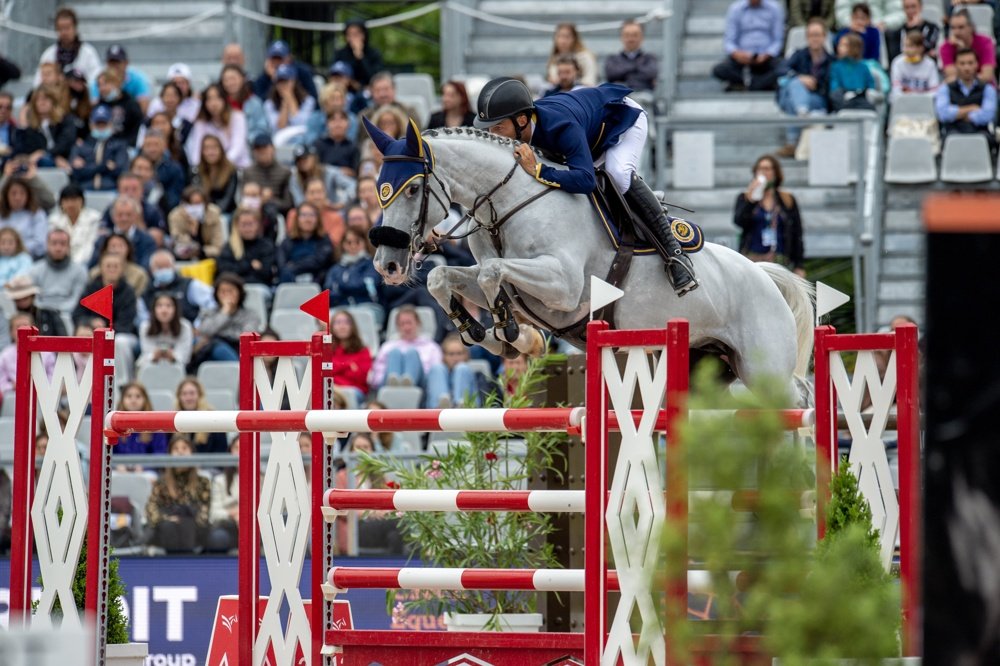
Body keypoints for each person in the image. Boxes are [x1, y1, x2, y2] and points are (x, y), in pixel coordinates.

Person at [471, 77, 698, 294]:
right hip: (589, 133)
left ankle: (675, 254)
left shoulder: (561, 127)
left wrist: (539, 170)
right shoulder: (525, 131)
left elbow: (586, 181)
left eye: (498, 127)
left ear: (521, 121)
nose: (492, 134)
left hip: (620, 121)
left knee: (618, 174)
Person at [733, 154, 806, 276]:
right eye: (760, 169)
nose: (763, 172)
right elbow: (739, 222)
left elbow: (797, 232)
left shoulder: (787, 199)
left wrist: (799, 265)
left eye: (767, 169)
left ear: (775, 173)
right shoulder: (745, 197)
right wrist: (751, 200)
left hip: (780, 260)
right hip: (753, 260)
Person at [777, 18, 834, 157]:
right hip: (796, 96)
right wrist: (801, 78)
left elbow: (828, 87)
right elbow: (781, 69)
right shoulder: (799, 54)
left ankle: (792, 142)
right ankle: (802, 112)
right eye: (811, 35)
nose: (814, 39)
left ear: (824, 37)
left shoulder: (831, 60)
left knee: (791, 98)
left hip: (818, 99)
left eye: (817, 35)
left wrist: (815, 84)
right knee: (795, 83)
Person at [145, 434, 211, 552]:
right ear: (170, 454)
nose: (180, 452)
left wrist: (187, 519)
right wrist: (167, 518)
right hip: (166, 528)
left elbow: (206, 510)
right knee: (168, 527)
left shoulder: (203, 482)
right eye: (176, 449)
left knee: (187, 526)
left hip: (194, 530)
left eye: (184, 448)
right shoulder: (161, 483)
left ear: (192, 453)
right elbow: (151, 508)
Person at [713, 0, 786, 91]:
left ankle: (747, 84)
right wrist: (738, 54)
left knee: (785, 68)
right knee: (720, 70)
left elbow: (778, 40)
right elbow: (729, 41)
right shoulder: (735, 9)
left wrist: (767, 54)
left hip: (766, 58)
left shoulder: (774, 8)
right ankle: (759, 84)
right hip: (741, 58)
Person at [191, 272, 262, 366]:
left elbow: (246, 337)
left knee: (218, 346)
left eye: (231, 291)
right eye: (223, 292)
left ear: (239, 293)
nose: (227, 295)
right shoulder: (208, 312)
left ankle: (238, 370)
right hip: (208, 351)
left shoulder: (250, 315)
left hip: (237, 351)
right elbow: (204, 331)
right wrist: (225, 312)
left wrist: (219, 334)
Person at [935, 47, 997, 147]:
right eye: (962, 63)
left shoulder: (988, 89)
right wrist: (972, 108)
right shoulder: (945, 88)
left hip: (980, 132)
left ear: (977, 64)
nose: (966, 67)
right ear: (956, 65)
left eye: (970, 63)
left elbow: (987, 115)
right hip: (952, 132)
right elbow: (943, 114)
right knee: (950, 140)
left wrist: (957, 115)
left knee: (985, 140)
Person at [370, 306, 442, 389]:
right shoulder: (388, 346)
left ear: (418, 323)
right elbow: (378, 372)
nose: (406, 328)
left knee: (412, 353)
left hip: (420, 385)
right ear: (397, 326)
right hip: (387, 384)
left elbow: (435, 374)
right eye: (402, 324)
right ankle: (394, 384)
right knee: (394, 353)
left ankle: (408, 381)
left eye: (409, 323)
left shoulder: (431, 347)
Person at [74, 250, 139, 338]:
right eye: (108, 266)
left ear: (122, 269)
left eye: (116, 266)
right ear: (101, 268)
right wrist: (91, 321)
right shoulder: (91, 288)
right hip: (92, 332)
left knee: (121, 340)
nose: (112, 270)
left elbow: (126, 324)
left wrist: (104, 330)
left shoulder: (128, 292)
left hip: (120, 335)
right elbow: (77, 315)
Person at [186, 83, 250, 169]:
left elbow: (238, 147)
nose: (213, 103)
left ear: (224, 100)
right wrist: (198, 167)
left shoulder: (237, 117)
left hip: (237, 166)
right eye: (209, 99)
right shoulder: (201, 122)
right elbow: (196, 151)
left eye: (217, 98)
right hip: (209, 169)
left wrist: (221, 166)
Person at [142, 249, 216, 323]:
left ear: (173, 266)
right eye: (159, 267)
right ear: (151, 270)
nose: (163, 270)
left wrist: (199, 324)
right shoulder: (147, 290)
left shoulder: (190, 285)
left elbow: (212, 301)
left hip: (188, 326)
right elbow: (143, 317)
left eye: (166, 266)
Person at [34, 8, 102, 85]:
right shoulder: (48, 54)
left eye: (67, 28)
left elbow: (96, 80)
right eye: (60, 29)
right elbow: (37, 84)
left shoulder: (88, 53)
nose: (64, 32)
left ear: (75, 28)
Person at [13, 85, 76, 169]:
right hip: (39, 164)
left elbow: (65, 143)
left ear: (53, 102)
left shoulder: (65, 120)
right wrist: (23, 125)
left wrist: (46, 153)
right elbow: (24, 148)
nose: (42, 103)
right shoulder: (31, 127)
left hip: (65, 158)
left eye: (45, 99)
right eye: (38, 100)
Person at [70, 106, 129, 192]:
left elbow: (120, 171)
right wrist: (104, 166)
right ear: (91, 125)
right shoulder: (81, 146)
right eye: (98, 124)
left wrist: (88, 166)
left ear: (111, 124)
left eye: (104, 124)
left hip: (111, 189)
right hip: (84, 189)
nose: (101, 128)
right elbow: (76, 173)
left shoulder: (119, 146)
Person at [29, 228, 87, 315]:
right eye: (54, 243)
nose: (58, 248)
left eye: (63, 244)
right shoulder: (35, 270)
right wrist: (46, 311)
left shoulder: (80, 271)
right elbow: (33, 299)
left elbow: (77, 299)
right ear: (47, 245)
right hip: (41, 314)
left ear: (69, 247)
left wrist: (58, 313)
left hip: (68, 315)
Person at [325, 227, 382, 315]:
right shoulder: (335, 269)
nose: (353, 246)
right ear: (343, 245)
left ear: (365, 243)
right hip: (341, 308)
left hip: (368, 307)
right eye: (349, 242)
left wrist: (341, 287)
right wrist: (352, 288)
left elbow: (367, 286)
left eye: (357, 242)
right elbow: (329, 294)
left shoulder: (372, 265)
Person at [216, 207, 277, 285]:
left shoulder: (266, 245)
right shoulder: (229, 246)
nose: (247, 229)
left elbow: (266, 273)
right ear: (237, 225)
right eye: (244, 225)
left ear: (258, 224)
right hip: (235, 287)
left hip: (259, 286)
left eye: (250, 224)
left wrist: (239, 268)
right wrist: (250, 265)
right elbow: (224, 271)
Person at [277, 202, 334, 283]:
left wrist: (293, 266)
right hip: (290, 282)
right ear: (297, 219)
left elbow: (318, 262)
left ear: (318, 219)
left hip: (317, 282)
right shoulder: (287, 242)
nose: (308, 219)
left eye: (312, 215)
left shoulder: (324, 240)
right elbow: (281, 265)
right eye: (303, 215)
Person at [0, 313, 56, 396]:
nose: (23, 332)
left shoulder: (47, 354)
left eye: (26, 326)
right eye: (18, 327)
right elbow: (1, 384)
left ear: (34, 331)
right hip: (14, 396)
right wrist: (12, 386)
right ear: (11, 332)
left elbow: (54, 381)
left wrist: (37, 385)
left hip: (43, 395)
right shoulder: (5, 355)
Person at [47, 184, 101, 266]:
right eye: (66, 200)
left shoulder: (94, 219)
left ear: (82, 201)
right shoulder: (54, 221)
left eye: (74, 200)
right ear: (61, 203)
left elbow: (90, 247)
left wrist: (74, 266)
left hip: (86, 263)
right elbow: (53, 245)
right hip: (60, 263)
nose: (70, 204)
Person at [138, 292, 193, 372]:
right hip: (152, 365)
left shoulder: (185, 327)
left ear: (175, 309)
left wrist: (172, 356)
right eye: (159, 306)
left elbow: (184, 357)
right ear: (153, 310)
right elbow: (147, 354)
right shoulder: (145, 327)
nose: (164, 310)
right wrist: (155, 355)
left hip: (177, 365)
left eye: (168, 306)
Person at [289, 144, 356, 210]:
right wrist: (317, 204)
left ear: (313, 158)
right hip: (308, 213)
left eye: (305, 158)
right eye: (299, 160)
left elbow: (353, 185)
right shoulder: (295, 178)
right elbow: (299, 202)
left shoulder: (328, 172)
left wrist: (342, 203)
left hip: (331, 210)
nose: (302, 162)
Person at [98, 195, 156, 269]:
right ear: (113, 217)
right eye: (120, 215)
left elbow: (145, 267)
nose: (124, 219)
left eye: (128, 215)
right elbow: (94, 264)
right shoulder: (103, 240)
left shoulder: (147, 240)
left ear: (135, 216)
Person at [168, 186, 225, 260]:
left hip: (208, 256)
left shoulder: (213, 214)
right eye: (190, 203)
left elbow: (218, 246)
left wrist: (201, 251)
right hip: (185, 258)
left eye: (198, 203)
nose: (194, 207)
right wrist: (193, 232)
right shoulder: (175, 216)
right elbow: (178, 241)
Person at [112, 382, 169, 455]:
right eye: (129, 396)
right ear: (122, 400)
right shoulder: (114, 426)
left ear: (145, 400)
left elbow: (160, 455)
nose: (133, 400)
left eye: (138, 396)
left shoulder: (156, 428)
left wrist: (144, 464)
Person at [940, 9, 996, 84]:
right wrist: (961, 49)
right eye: (953, 28)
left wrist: (964, 49)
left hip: (984, 87)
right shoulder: (946, 47)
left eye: (961, 27)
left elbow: (987, 76)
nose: (956, 32)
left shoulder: (985, 42)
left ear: (971, 27)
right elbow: (952, 77)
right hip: (958, 89)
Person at [290, 176, 347, 249]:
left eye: (319, 192)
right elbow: (292, 238)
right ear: (305, 195)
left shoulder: (335, 218)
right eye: (312, 192)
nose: (316, 197)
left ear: (325, 194)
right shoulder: (294, 215)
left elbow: (334, 243)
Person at [425, 334, 480, 409]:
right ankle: (441, 406)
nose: (455, 358)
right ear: (444, 356)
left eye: (459, 353)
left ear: (466, 355)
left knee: (462, 368)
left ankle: (460, 405)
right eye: (451, 354)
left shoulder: (472, 372)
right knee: (437, 368)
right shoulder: (439, 371)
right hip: (437, 412)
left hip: (468, 412)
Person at [92, 45, 153, 113]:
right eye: (111, 62)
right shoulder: (99, 80)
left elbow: (143, 108)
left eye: (117, 62)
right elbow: (94, 106)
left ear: (126, 63)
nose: (114, 66)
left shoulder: (139, 79)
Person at [176, 377, 229, 454]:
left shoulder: (215, 421)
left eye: (192, 393)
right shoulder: (173, 420)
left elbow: (221, 453)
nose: (188, 398)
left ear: (200, 395)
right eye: (184, 394)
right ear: (179, 397)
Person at [219, 64, 269, 145]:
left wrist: (243, 139)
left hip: (250, 145)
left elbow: (262, 129)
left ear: (242, 79)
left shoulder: (254, 103)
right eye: (226, 80)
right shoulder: (219, 103)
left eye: (233, 78)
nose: (230, 83)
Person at [329, 309, 372, 403]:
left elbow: (361, 378)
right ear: (332, 326)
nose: (342, 326)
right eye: (338, 322)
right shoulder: (327, 349)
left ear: (352, 326)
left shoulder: (363, 350)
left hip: (354, 390)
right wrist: (348, 365)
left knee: (347, 394)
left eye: (346, 322)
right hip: (332, 388)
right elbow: (324, 373)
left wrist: (336, 371)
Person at [140, 130, 186, 217]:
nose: (152, 149)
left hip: (164, 212)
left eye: (156, 145)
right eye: (148, 145)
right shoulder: (135, 165)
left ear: (164, 146)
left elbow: (174, 199)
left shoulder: (174, 169)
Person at [605, 20, 660, 92]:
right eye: (627, 35)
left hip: (643, 95)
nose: (631, 39)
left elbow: (651, 74)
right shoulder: (612, 59)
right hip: (619, 96)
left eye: (635, 35)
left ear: (642, 37)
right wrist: (637, 68)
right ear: (621, 37)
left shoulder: (650, 58)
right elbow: (611, 75)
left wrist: (623, 73)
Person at [253, 40, 318, 102]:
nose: (277, 62)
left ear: (289, 57)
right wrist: (275, 79)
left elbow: (314, 100)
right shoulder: (263, 77)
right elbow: (261, 103)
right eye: (274, 58)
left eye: (280, 58)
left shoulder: (302, 72)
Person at [94, 68, 144, 146]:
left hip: (126, 146)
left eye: (105, 84)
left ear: (117, 83)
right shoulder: (99, 105)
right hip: (103, 147)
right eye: (99, 85)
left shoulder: (131, 104)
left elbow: (137, 129)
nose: (102, 89)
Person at [244, 134, 294, 213]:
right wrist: (257, 198)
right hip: (252, 211)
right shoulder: (248, 172)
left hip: (277, 211)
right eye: (258, 149)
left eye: (265, 147)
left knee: (270, 210)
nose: (262, 151)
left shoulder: (285, 172)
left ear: (273, 149)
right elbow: (242, 200)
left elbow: (288, 203)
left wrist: (270, 200)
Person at [0, 176, 48, 258]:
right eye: (13, 193)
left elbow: (41, 244)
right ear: (6, 195)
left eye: (22, 193)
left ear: (28, 195)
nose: (18, 198)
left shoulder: (37, 214)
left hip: (30, 258)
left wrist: (16, 249)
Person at [264, 64, 317, 136]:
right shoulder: (269, 104)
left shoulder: (308, 101)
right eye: (279, 82)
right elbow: (279, 127)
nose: (282, 85)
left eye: (286, 81)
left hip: (301, 138)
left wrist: (290, 98)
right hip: (280, 139)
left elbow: (300, 124)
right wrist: (285, 102)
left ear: (294, 82)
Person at [829, 32, 877, 111]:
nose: (839, 47)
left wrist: (862, 93)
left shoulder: (863, 67)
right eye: (840, 44)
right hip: (843, 99)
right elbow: (834, 87)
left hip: (861, 98)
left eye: (844, 45)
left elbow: (870, 85)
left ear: (854, 47)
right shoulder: (836, 66)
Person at [207, 437, 240, 551]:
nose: (241, 452)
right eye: (237, 448)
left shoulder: (261, 478)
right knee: (218, 536)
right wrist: (233, 514)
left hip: (256, 524)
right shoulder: (220, 480)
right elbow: (214, 514)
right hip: (228, 525)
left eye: (245, 448)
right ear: (230, 452)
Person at [191, 135, 238, 214]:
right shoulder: (196, 171)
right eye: (207, 148)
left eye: (214, 148)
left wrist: (215, 214)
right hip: (202, 212)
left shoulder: (231, 170)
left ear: (221, 150)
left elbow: (228, 198)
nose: (211, 152)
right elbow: (196, 194)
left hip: (225, 212)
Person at [890, 30, 941, 102]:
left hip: (924, 103)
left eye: (910, 46)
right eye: (905, 46)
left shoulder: (930, 64)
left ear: (921, 48)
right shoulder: (897, 62)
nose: (906, 50)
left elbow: (934, 92)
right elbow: (896, 90)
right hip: (903, 102)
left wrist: (916, 96)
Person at [333, 20, 384, 88]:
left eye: (356, 34)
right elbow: (335, 75)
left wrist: (360, 57)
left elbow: (375, 77)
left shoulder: (373, 53)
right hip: (345, 90)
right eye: (349, 34)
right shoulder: (340, 54)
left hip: (369, 89)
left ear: (364, 35)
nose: (353, 38)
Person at [546, 23, 598, 87]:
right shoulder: (554, 58)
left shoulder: (585, 57)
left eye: (567, 37)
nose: (563, 41)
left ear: (574, 38)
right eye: (559, 36)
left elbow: (590, 81)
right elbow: (553, 81)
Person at [314, 109, 360, 175]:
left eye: (342, 120)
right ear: (327, 124)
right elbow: (314, 167)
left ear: (348, 124)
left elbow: (356, 172)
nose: (338, 124)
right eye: (333, 120)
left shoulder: (353, 147)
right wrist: (336, 171)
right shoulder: (318, 144)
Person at [835, 0, 905, 30]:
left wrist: (885, 23)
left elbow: (899, 14)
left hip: (881, 31)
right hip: (851, 31)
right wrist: (852, 24)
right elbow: (841, 12)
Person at [0, 92, 18, 168]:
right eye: (0, 106)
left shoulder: (16, 131)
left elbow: (18, 152)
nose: (3, 110)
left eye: (8, 107)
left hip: (8, 167)